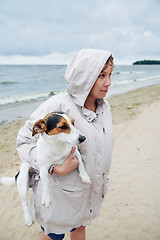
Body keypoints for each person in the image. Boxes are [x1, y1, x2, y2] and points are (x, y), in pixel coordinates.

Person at [16, 49, 114, 240]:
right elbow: (24, 141)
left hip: (89, 191)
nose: (108, 82)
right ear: (85, 76)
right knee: (53, 236)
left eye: (110, 75)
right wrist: (54, 168)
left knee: (80, 228)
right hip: (59, 195)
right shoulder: (57, 104)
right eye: (101, 75)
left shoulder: (105, 107)